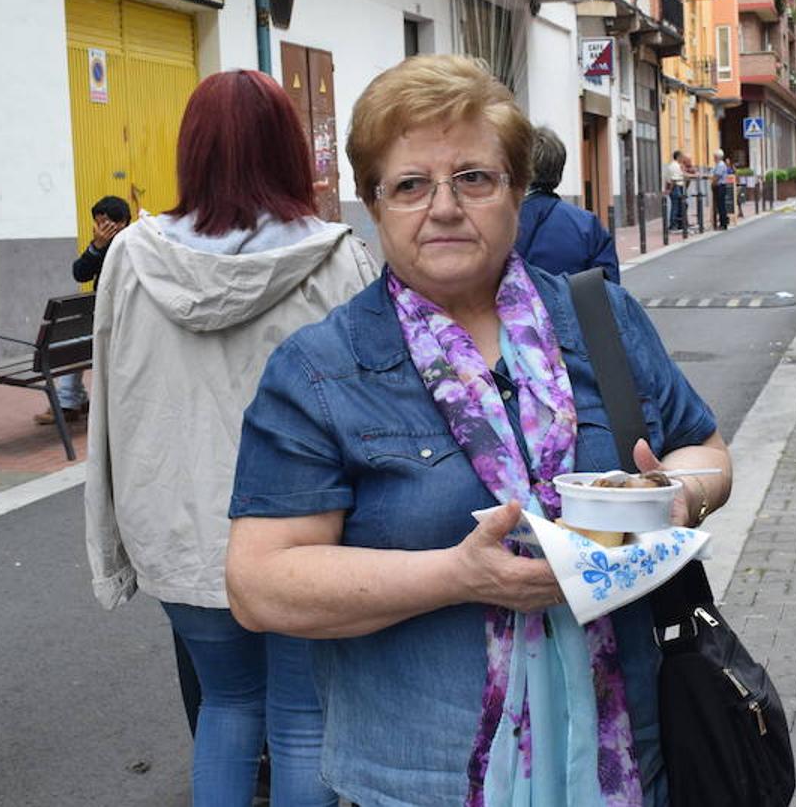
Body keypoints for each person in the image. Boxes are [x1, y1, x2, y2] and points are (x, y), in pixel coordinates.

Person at [224, 54, 733, 806]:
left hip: (631, 765)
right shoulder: (322, 369)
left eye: (474, 177)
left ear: (518, 194)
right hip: (421, 782)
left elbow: (704, 448)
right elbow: (260, 583)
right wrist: (458, 577)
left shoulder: (600, 320)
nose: (444, 207)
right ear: (372, 205)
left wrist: (675, 496)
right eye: (409, 185)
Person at [84, 69, 376, 807]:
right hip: (304, 531)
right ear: (289, 152)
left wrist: (115, 536)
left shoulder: (130, 257)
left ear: (193, 151)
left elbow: (111, 405)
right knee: (305, 715)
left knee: (226, 706)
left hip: (177, 526)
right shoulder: (339, 258)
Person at [32, 195, 130, 425]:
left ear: (123, 222)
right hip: (102, 318)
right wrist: (96, 247)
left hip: (122, 321)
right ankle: (74, 398)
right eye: (98, 223)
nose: (101, 229)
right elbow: (80, 273)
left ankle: (68, 402)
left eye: (106, 223)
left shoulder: (134, 243)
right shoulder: (101, 246)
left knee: (71, 341)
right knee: (71, 339)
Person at [516, 126, 620, 282]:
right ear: (560, 171)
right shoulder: (587, 225)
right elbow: (609, 291)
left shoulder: (499, 222)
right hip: (576, 306)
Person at [665, 149, 687, 230]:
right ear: (678, 157)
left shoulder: (674, 165)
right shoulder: (675, 166)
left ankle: (677, 224)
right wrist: (670, 190)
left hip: (676, 187)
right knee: (675, 207)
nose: (683, 158)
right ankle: (674, 224)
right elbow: (674, 180)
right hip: (676, 187)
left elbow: (668, 179)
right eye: (682, 156)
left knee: (678, 206)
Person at [710, 148, 730, 230]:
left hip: (720, 186)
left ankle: (723, 223)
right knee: (719, 205)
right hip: (719, 186)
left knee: (721, 205)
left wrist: (713, 183)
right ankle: (722, 222)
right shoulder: (718, 165)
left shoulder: (721, 165)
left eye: (714, 156)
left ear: (718, 157)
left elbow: (717, 176)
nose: (713, 158)